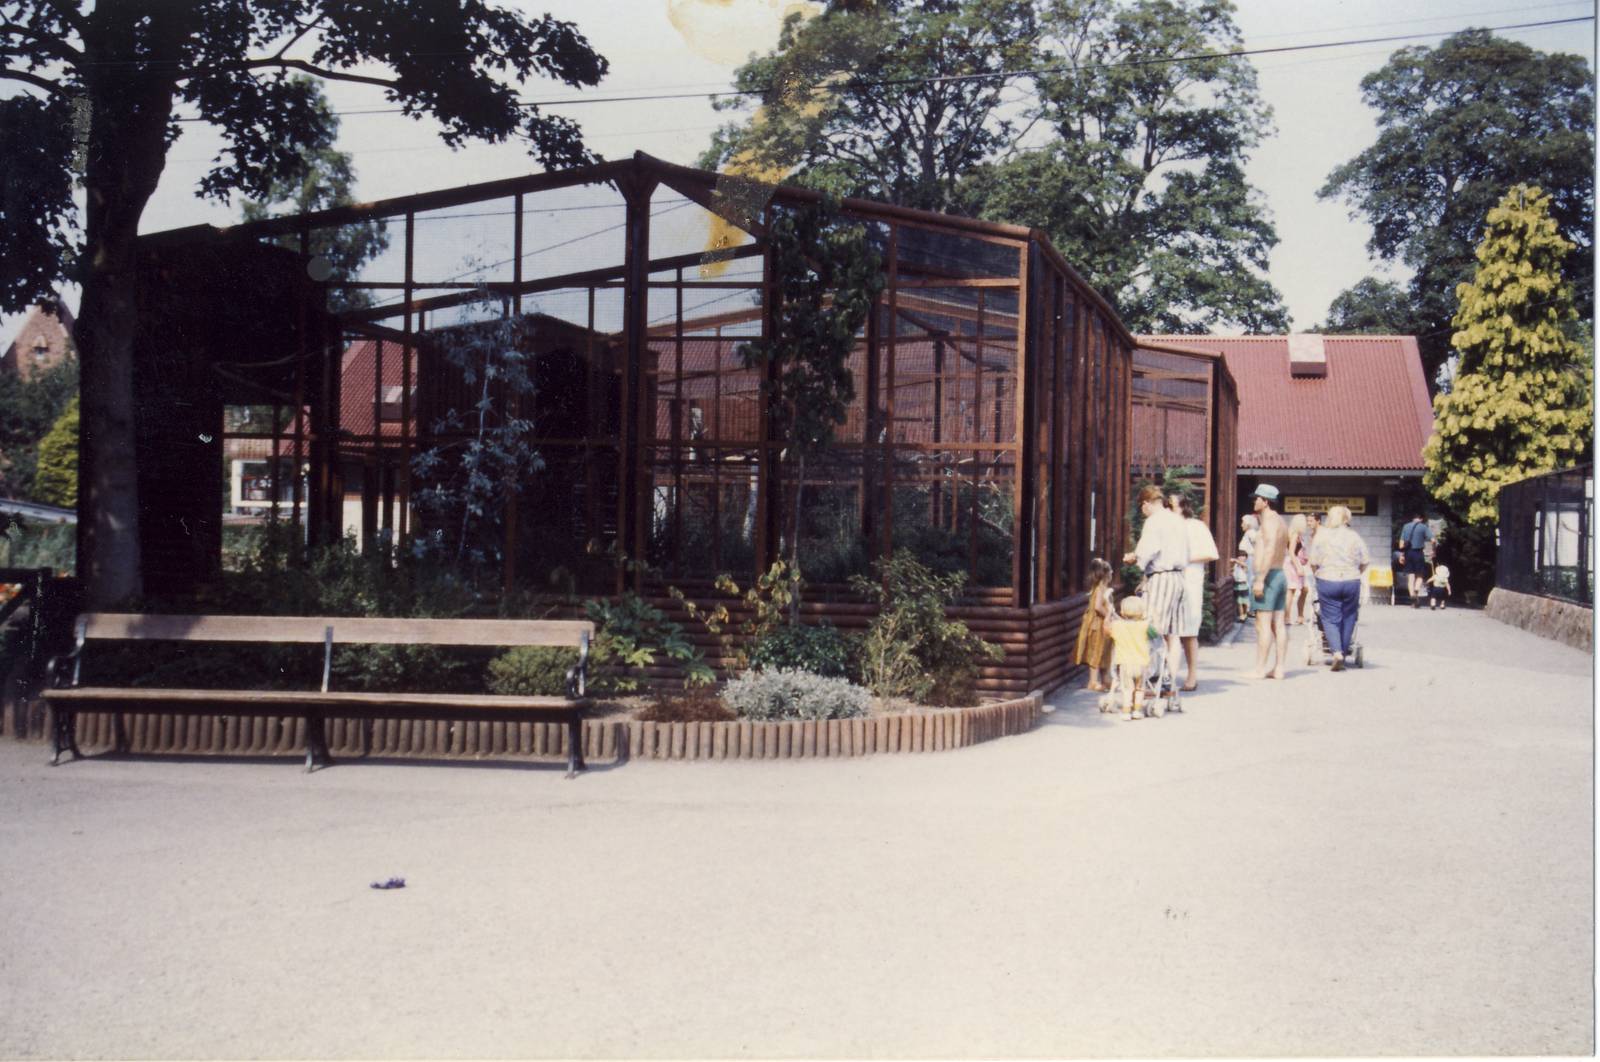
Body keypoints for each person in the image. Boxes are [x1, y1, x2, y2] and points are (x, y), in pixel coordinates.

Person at [1123, 484, 1187, 699]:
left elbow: (1147, 551)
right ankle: (1170, 682)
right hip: (1178, 578)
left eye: (1142, 508)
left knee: (1151, 628)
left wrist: (1134, 558)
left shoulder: (1153, 521)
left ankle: (1152, 681)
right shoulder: (1177, 520)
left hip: (1161, 577)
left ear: (1146, 504)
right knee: (1173, 633)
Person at [1308, 504, 1370, 671]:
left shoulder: (1321, 536)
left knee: (1329, 618)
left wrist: (1317, 574)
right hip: (1351, 580)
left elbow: (1313, 561)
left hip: (1327, 579)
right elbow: (1365, 560)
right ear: (1346, 519)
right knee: (1349, 616)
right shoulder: (1354, 536)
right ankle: (1343, 650)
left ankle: (1336, 652)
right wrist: (1356, 572)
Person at [1170, 492, 1218, 691]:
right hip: (1169, 583)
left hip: (1190, 583)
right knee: (1168, 631)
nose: (1168, 509)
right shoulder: (1167, 527)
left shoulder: (1196, 526)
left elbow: (1211, 554)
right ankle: (1168, 677)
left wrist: (1183, 558)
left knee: (1189, 631)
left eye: (1171, 505)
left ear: (1183, 506)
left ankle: (1191, 676)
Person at [1249, 484, 1290, 679]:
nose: (1254, 501)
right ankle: (1279, 668)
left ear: (1265, 501)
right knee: (1279, 624)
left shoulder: (1269, 521)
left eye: (1256, 498)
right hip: (1279, 574)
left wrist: (1260, 579)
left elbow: (1270, 549)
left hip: (1268, 576)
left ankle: (1260, 669)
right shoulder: (1281, 521)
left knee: (1263, 624)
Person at [1105, 594, 1158, 720]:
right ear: (1142, 612)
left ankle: (1126, 711)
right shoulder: (1145, 626)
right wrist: (1154, 619)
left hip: (1125, 663)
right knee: (1140, 688)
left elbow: (1106, 630)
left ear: (1122, 612)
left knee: (1127, 688)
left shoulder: (1117, 625)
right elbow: (1155, 634)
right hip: (1142, 663)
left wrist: (1108, 614)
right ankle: (1137, 711)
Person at [1074, 557, 1116, 691]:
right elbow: (1098, 607)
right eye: (1110, 571)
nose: (1112, 572)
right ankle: (1092, 681)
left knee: (1104, 651)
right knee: (1096, 651)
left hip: (1104, 624)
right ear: (1105, 574)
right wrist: (1109, 614)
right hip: (1097, 624)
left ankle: (1105, 679)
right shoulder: (1099, 589)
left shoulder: (1105, 588)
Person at [1399, 511, 1433, 608]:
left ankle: (1412, 599)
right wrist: (1434, 550)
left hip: (1408, 553)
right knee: (1420, 575)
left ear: (1413, 518)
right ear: (1421, 519)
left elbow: (1401, 544)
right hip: (1418, 553)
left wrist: (1402, 555)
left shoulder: (1406, 526)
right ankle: (1416, 590)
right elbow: (1433, 540)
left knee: (1411, 577)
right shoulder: (1424, 527)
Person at [1283, 514, 1310, 626]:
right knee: (1291, 590)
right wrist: (1298, 567)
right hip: (1292, 565)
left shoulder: (1298, 535)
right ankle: (1287, 617)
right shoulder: (1294, 535)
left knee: (1304, 589)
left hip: (1297, 563)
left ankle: (1300, 616)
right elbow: (1291, 552)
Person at [1237, 514, 1260, 617]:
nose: (1241, 525)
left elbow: (1257, 545)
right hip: (1248, 559)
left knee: (1249, 582)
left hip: (1250, 559)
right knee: (1250, 582)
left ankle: (1249, 608)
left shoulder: (1251, 533)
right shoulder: (1248, 533)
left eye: (1243, 522)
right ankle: (1251, 608)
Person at [1232, 554, 1250, 620]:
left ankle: (1245, 614)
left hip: (1243, 586)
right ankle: (1241, 616)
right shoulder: (1235, 565)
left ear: (1245, 558)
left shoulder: (1245, 565)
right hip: (1236, 585)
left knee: (1244, 602)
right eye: (1239, 556)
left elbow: (1244, 566)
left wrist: (1235, 560)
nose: (1240, 557)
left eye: (1243, 556)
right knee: (1239, 602)